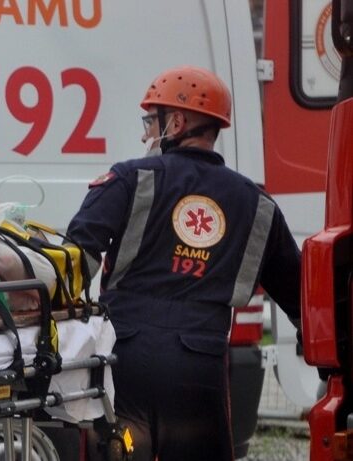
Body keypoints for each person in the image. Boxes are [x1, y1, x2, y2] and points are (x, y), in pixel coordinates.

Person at [64, 65, 302, 460]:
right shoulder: (258, 204)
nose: (145, 133)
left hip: (127, 358)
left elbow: (75, 255)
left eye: (150, 121)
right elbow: (301, 297)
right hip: (200, 364)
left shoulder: (129, 177)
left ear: (175, 122)